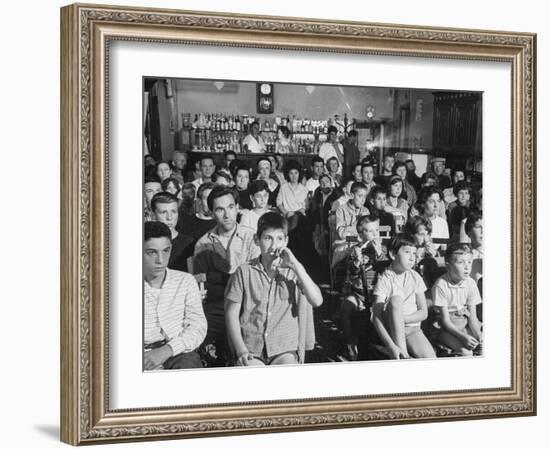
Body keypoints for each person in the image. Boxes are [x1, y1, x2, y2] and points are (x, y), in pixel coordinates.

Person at [225, 212, 323, 366]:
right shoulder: (244, 271)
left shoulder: (292, 271)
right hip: (252, 348)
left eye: (279, 239)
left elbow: (317, 300)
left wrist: (296, 266)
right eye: (267, 238)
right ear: (257, 240)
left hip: (283, 348)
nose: (274, 245)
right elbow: (231, 313)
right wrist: (240, 350)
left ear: (286, 241)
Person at [193, 185, 260, 364]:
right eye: (220, 209)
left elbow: (255, 280)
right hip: (216, 306)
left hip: (250, 305)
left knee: (241, 348)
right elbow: (200, 285)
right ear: (212, 212)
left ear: (237, 207)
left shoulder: (252, 237)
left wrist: (215, 277)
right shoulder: (203, 243)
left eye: (231, 207)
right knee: (192, 337)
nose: (227, 214)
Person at [143, 221, 206, 370]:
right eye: (152, 252)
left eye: (166, 251)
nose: (160, 260)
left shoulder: (185, 281)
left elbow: (198, 326)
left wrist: (168, 350)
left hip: (178, 352)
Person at [372, 233, 436, 359]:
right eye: (407, 252)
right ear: (393, 254)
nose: (412, 258)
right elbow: (376, 317)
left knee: (430, 358)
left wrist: (403, 319)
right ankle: (403, 355)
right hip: (392, 329)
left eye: (414, 253)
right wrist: (390, 345)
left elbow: (423, 312)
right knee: (396, 299)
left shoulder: (415, 277)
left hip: (413, 330)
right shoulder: (385, 279)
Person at [341, 215, 388, 360]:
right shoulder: (355, 250)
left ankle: (383, 341)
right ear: (361, 235)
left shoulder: (384, 250)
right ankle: (351, 343)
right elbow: (351, 274)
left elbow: (387, 271)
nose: (374, 234)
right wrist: (356, 261)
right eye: (369, 231)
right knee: (345, 309)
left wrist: (380, 254)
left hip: (378, 294)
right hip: (359, 294)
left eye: (376, 230)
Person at [431, 243, 483, 356]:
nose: (467, 267)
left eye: (469, 262)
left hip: (464, 322)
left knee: (483, 347)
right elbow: (445, 322)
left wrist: (478, 335)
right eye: (460, 262)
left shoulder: (471, 283)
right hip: (445, 328)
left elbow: (473, 317)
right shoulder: (441, 285)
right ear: (448, 266)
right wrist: (463, 337)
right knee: (466, 353)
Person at [151, 192, 194, 272]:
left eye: (173, 212)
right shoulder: (145, 243)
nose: (169, 217)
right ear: (153, 215)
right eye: (164, 212)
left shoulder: (189, 243)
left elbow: (192, 277)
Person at [309, 174, 339, 257]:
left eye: (327, 182)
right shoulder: (318, 194)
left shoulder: (335, 194)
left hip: (331, 225)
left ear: (330, 183)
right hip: (319, 224)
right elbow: (313, 210)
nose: (324, 184)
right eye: (322, 182)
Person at [276, 160, 309, 231]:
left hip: (300, 218)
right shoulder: (283, 187)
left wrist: (294, 213)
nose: (294, 176)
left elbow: (304, 207)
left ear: (299, 174)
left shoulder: (304, 189)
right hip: (287, 216)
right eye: (291, 173)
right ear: (287, 174)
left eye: (296, 173)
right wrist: (286, 213)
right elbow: (278, 203)